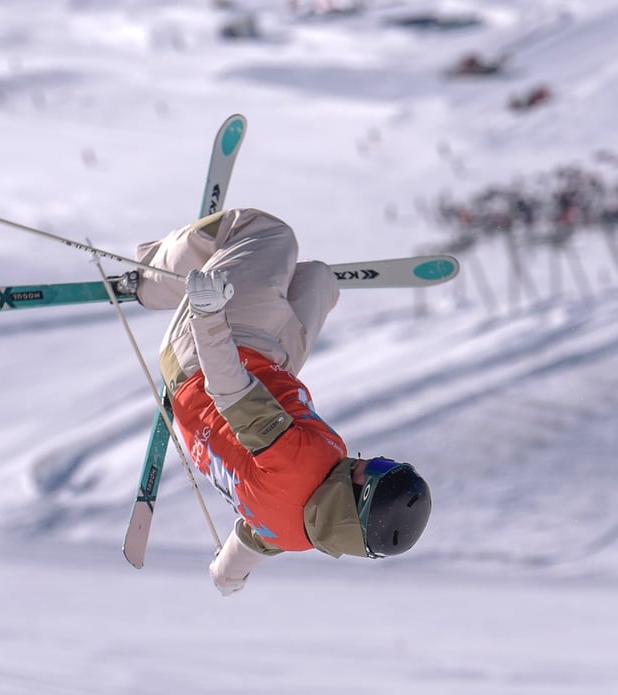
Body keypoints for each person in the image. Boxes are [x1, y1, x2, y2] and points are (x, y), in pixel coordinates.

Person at [132, 208, 431, 595]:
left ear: (358, 498)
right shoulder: (298, 532)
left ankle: (149, 278)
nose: (371, 459)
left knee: (271, 233)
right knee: (318, 281)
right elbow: (247, 546)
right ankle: (251, 273)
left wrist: (208, 315)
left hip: (205, 360)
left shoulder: (299, 462)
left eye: (378, 467)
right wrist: (227, 576)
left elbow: (228, 388)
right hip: (266, 367)